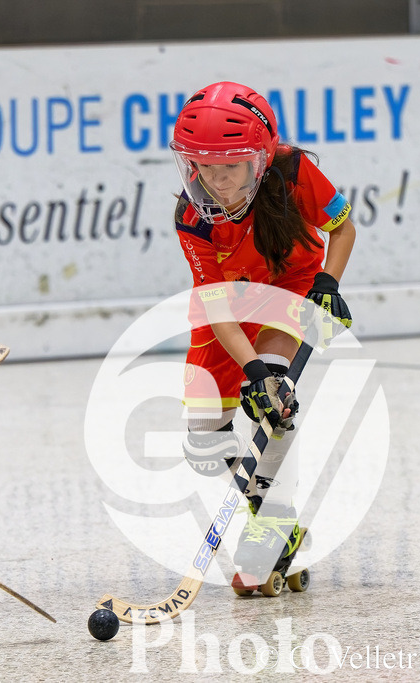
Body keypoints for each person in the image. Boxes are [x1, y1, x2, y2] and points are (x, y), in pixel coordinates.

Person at [170, 82, 356, 586]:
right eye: (205, 169)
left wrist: (328, 283)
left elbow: (343, 228)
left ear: (259, 158)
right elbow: (215, 310)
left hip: (289, 288)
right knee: (204, 438)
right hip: (228, 309)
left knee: (274, 395)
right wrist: (246, 367)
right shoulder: (192, 218)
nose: (219, 182)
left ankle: (271, 522)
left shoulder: (294, 170)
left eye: (230, 167)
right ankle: (275, 515)